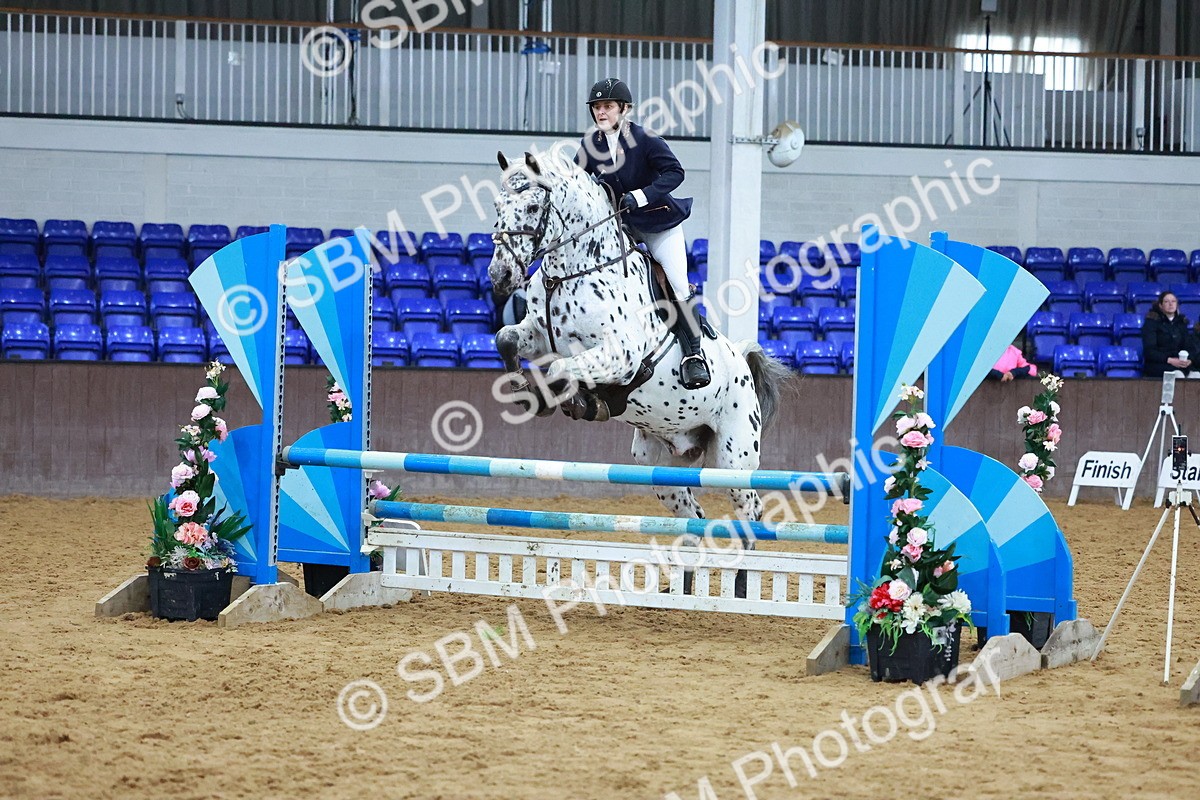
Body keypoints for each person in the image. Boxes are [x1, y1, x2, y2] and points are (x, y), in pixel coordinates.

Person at [575, 77, 710, 390]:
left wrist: (642, 195)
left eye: (608, 106)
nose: (601, 112)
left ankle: (694, 354)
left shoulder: (644, 138)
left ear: (624, 109)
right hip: (621, 227)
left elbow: (675, 172)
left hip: (658, 223)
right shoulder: (591, 144)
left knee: (677, 282)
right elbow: (576, 181)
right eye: (597, 107)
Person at [1142, 290, 1198, 378]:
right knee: (1178, 375)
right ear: (1160, 305)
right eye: (1166, 301)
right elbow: (1149, 351)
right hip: (1159, 364)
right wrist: (1170, 360)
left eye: (1173, 301)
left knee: (1196, 375)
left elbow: (1189, 347)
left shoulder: (1181, 323)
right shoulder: (1151, 323)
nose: (1171, 304)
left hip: (1180, 364)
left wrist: (1189, 360)